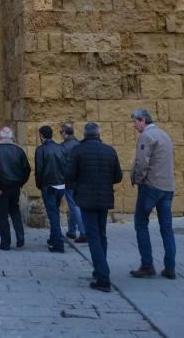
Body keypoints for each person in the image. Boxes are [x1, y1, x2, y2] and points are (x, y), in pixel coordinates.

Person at [68, 122, 123, 293]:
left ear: (85, 134)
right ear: (99, 134)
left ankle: (103, 277)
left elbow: (70, 175)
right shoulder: (110, 150)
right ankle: (100, 269)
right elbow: (118, 176)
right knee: (101, 234)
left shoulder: (78, 150)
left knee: (93, 236)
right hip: (104, 198)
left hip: (86, 198)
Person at [130, 109, 176, 279]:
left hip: (151, 186)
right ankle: (170, 268)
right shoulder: (164, 134)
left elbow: (142, 162)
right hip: (168, 186)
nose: (134, 126)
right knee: (167, 228)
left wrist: (138, 179)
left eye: (135, 122)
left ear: (143, 120)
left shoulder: (146, 136)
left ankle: (147, 265)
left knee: (140, 223)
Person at [0, 126, 31, 250]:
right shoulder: (19, 150)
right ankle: (20, 236)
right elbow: (27, 169)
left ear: (0, 136)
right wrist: (21, 182)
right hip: (15, 186)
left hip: (1, 188)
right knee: (14, 210)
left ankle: (5, 242)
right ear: (11, 136)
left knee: (2, 215)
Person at [35, 125, 67, 253]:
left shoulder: (41, 150)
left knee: (53, 214)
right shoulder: (61, 148)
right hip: (61, 185)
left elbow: (39, 169)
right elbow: (66, 165)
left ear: (41, 136)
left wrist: (39, 185)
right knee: (55, 212)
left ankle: (58, 243)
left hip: (49, 185)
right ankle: (53, 238)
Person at [60, 123, 87, 243]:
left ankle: (83, 232)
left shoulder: (63, 147)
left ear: (65, 133)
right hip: (80, 179)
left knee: (74, 205)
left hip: (69, 180)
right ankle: (71, 230)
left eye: (61, 132)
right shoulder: (79, 144)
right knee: (74, 205)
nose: (60, 134)